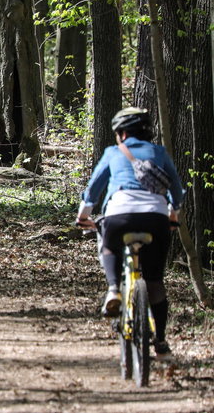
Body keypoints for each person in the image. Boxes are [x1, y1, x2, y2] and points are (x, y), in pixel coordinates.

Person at [76, 107, 183, 359]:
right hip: (156, 218)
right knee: (155, 281)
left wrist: (83, 217)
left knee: (108, 244)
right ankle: (161, 341)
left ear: (121, 133)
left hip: (119, 214)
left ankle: (114, 288)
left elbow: (93, 190)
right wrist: (172, 216)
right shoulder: (159, 152)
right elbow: (176, 190)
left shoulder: (113, 153)